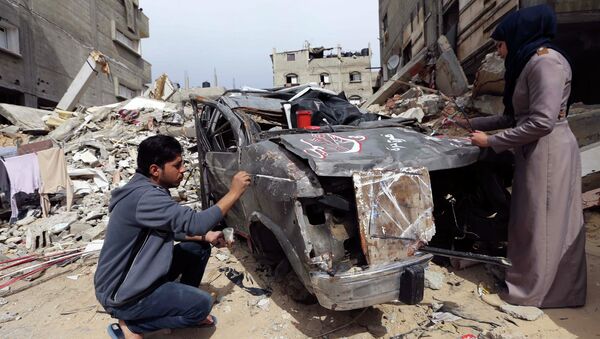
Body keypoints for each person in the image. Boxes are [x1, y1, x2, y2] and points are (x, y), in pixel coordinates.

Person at [466, 5, 586, 308]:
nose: (500, 52)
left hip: (549, 152)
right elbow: (516, 117)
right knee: (534, 221)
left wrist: (490, 142)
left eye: (501, 44)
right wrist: (470, 125)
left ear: (519, 36)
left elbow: (542, 122)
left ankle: (543, 293)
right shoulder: (530, 62)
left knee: (545, 223)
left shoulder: (546, 64)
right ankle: (535, 284)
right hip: (536, 151)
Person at [94, 135, 251, 338]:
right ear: (155, 170)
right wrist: (234, 192)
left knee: (198, 249)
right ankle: (134, 326)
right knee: (202, 305)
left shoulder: (147, 188)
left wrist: (206, 237)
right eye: (177, 165)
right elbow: (196, 223)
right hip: (123, 294)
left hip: (134, 278)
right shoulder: (146, 198)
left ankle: (178, 304)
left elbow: (172, 229)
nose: (183, 170)